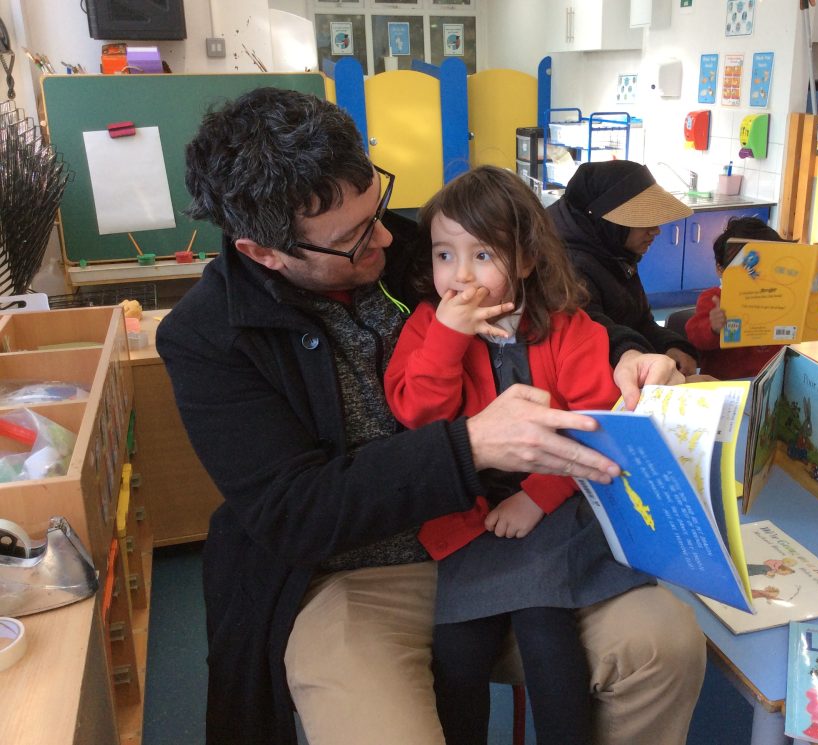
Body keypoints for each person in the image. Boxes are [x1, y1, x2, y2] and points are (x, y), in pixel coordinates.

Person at [156, 87, 706, 745]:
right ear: (264, 252)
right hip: (354, 577)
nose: (386, 237)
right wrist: (469, 447)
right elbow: (294, 512)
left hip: (509, 534)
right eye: (353, 237)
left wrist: (630, 353)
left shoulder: (423, 245)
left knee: (666, 644)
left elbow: (552, 311)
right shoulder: (208, 338)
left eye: (377, 206)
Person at [384, 165, 656, 745]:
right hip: (467, 518)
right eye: (444, 255)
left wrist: (537, 498)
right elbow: (421, 419)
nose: (460, 275)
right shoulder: (427, 327)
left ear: (527, 259)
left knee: (546, 633)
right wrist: (449, 337)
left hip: (554, 507)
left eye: (483, 255)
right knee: (458, 650)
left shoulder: (570, 328)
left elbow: (592, 428)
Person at [548, 160, 700, 376]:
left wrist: (670, 345)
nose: (655, 230)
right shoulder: (569, 267)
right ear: (607, 223)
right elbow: (596, 335)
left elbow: (640, 321)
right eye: (643, 220)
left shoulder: (614, 252)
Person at [684, 216, 786, 379]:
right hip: (722, 383)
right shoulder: (713, 298)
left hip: (768, 379)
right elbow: (695, 337)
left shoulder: (776, 295)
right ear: (720, 269)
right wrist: (713, 327)